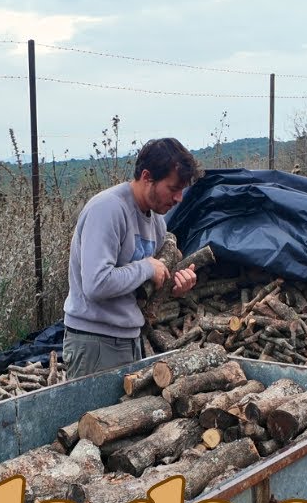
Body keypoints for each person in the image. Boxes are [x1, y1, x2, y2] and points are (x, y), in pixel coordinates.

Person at [62, 138, 202, 378]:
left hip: (128, 339)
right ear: (147, 177)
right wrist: (147, 268)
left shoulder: (156, 220)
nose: (179, 198)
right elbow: (96, 284)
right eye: (173, 188)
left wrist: (174, 286)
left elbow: (143, 287)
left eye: (181, 190)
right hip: (96, 343)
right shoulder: (107, 209)